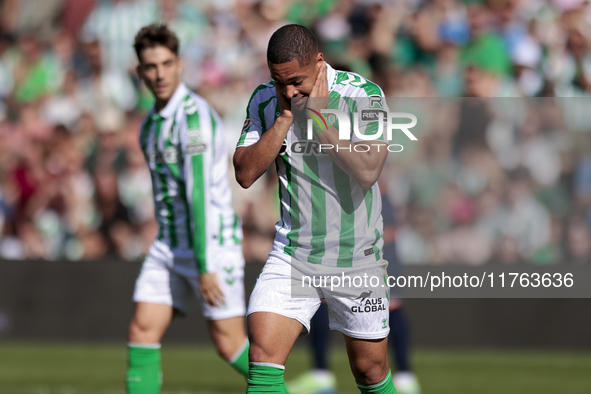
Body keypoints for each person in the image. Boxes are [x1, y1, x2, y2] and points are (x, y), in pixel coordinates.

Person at [234, 24, 396, 394]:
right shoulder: (264, 101)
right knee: (262, 358)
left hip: (356, 256)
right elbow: (244, 173)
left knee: (369, 371)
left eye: (297, 81)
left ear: (319, 63)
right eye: (279, 82)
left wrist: (319, 120)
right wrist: (285, 118)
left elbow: (368, 170)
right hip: (293, 255)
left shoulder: (364, 95)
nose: (289, 92)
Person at [126, 24, 248, 393]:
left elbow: (198, 195)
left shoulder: (193, 118)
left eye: (166, 63)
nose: (159, 74)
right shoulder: (149, 126)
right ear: (140, 71)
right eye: (150, 66)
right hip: (169, 246)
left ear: (180, 64)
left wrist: (204, 264)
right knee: (142, 330)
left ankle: (282, 388)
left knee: (229, 345)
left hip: (210, 244)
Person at [286, 183, 421, 394]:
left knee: (391, 304)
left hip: (366, 221)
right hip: (345, 219)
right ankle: (321, 374)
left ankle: (405, 376)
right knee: (322, 298)